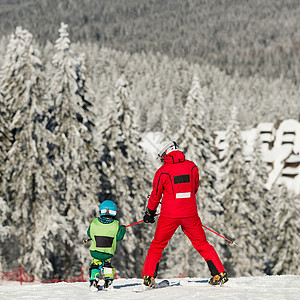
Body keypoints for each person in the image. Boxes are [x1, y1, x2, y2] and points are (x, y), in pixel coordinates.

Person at [142, 140, 228, 287]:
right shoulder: (192, 166)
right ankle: (219, 274)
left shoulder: (162, 172)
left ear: (166, 153)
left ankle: (149, 277)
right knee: (202, 244)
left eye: (162, 156)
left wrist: (150, 212)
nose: (162, 159)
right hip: (190, 214)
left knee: (157, 245)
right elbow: (194, 188)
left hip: (169, 216)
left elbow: (156, 195)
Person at [87, 200, 126, 291]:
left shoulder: (94, 222)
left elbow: (89, 233)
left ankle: (94, 281)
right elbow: (119, 237)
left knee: (95, 265)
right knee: (107, 264)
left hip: (95, 252)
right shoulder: (116, 224)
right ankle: (108, 281)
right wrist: (122, 229)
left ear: (101, 211)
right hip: (107, 253)